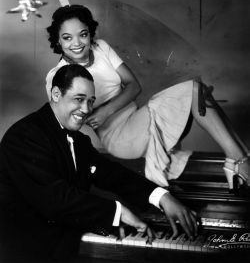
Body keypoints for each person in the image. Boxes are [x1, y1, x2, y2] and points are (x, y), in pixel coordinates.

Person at [0, 64, 197, 262]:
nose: (86, 109)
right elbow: (55, 199)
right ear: (56, 94)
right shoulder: (25, 135)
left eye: (90, 101)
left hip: (63, 246)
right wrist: (118, 212)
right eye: (79, 99)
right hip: (27, 253)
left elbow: (111, 173)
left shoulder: (78, 140)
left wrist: (162, 197)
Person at [45, 4, 250, 190]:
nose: (77, 43)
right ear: (57, 40)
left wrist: (106, 110)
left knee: (199, 93)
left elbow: (134, 86)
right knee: (194, 91)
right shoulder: (57, 76)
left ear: (90, 33)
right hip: (119, 138)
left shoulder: (101, 48)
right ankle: (239, 161)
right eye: (67, 38)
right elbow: (66, 123)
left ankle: (240, 158)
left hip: (137, 118)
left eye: (83, 34)